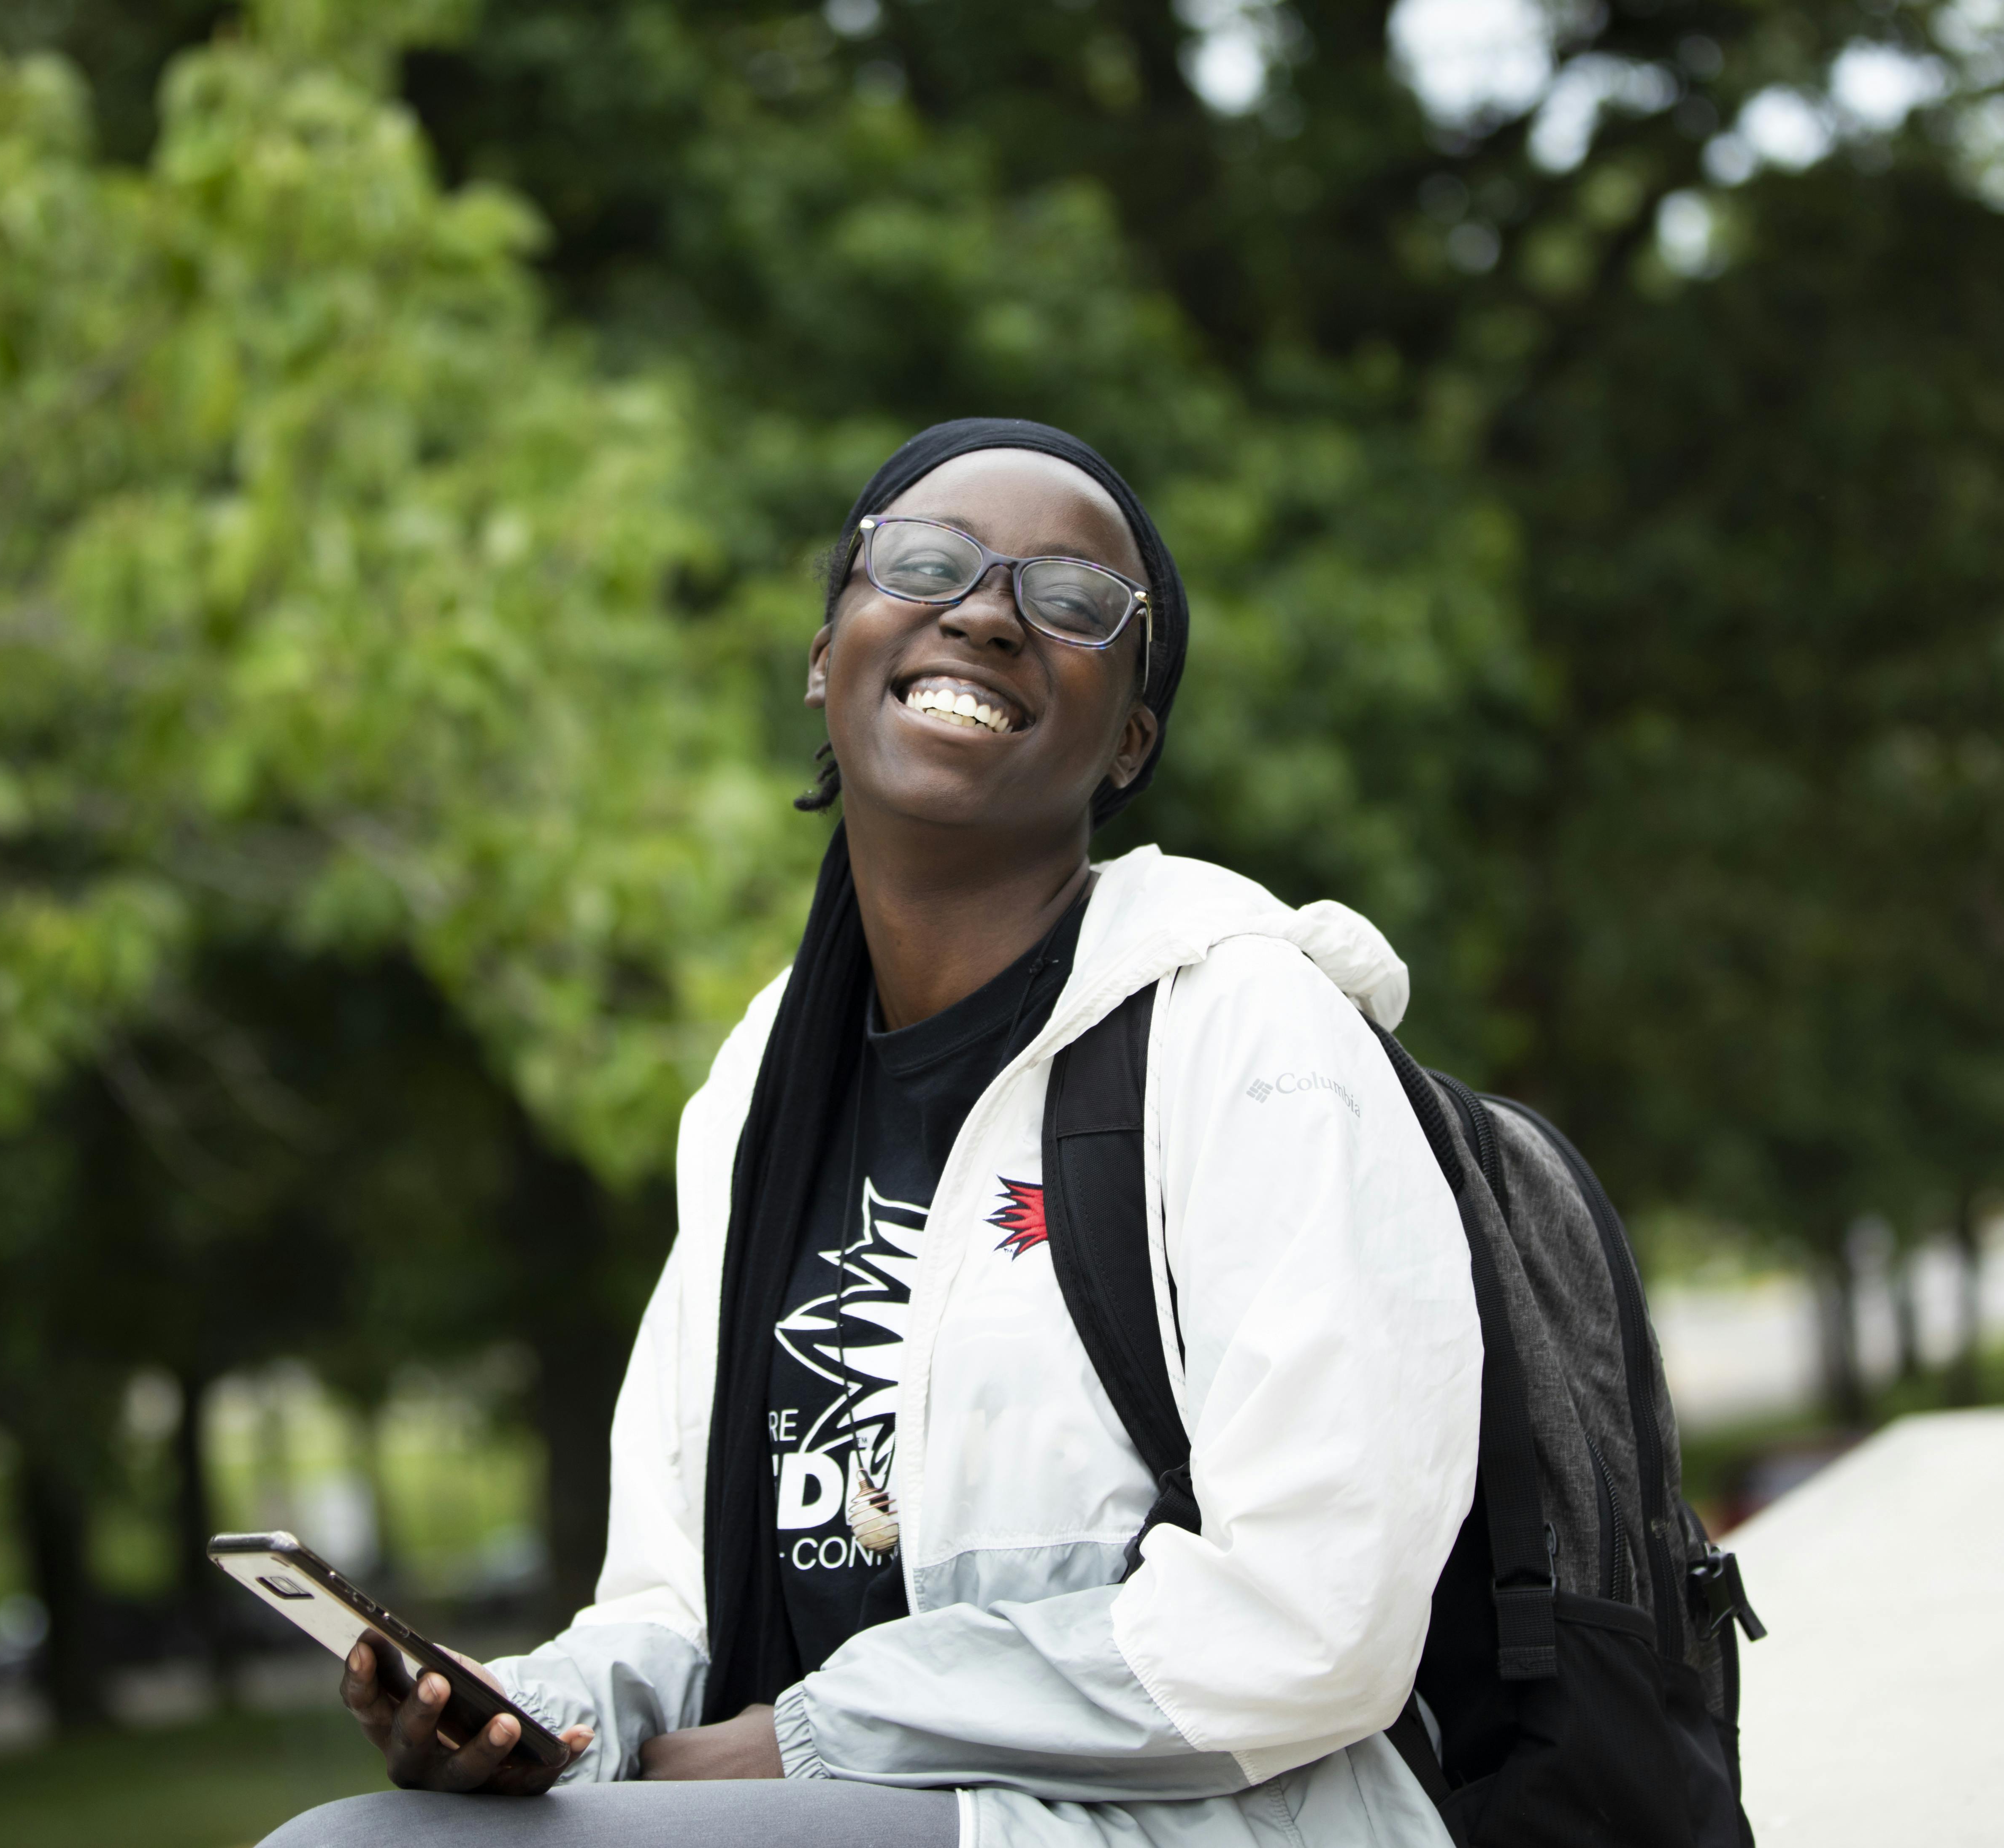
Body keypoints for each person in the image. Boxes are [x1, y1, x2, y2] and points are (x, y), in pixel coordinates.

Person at [262, 419, 1480, 1848]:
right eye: (923, 562)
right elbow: (671, 1603)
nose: (983, 610)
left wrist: (810, 1738)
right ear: (823, 654)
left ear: (1130, 739)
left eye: (1074, 601)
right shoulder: (762, 1091)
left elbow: (1317, 1614)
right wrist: (541, 1719)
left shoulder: (1245, 1026)